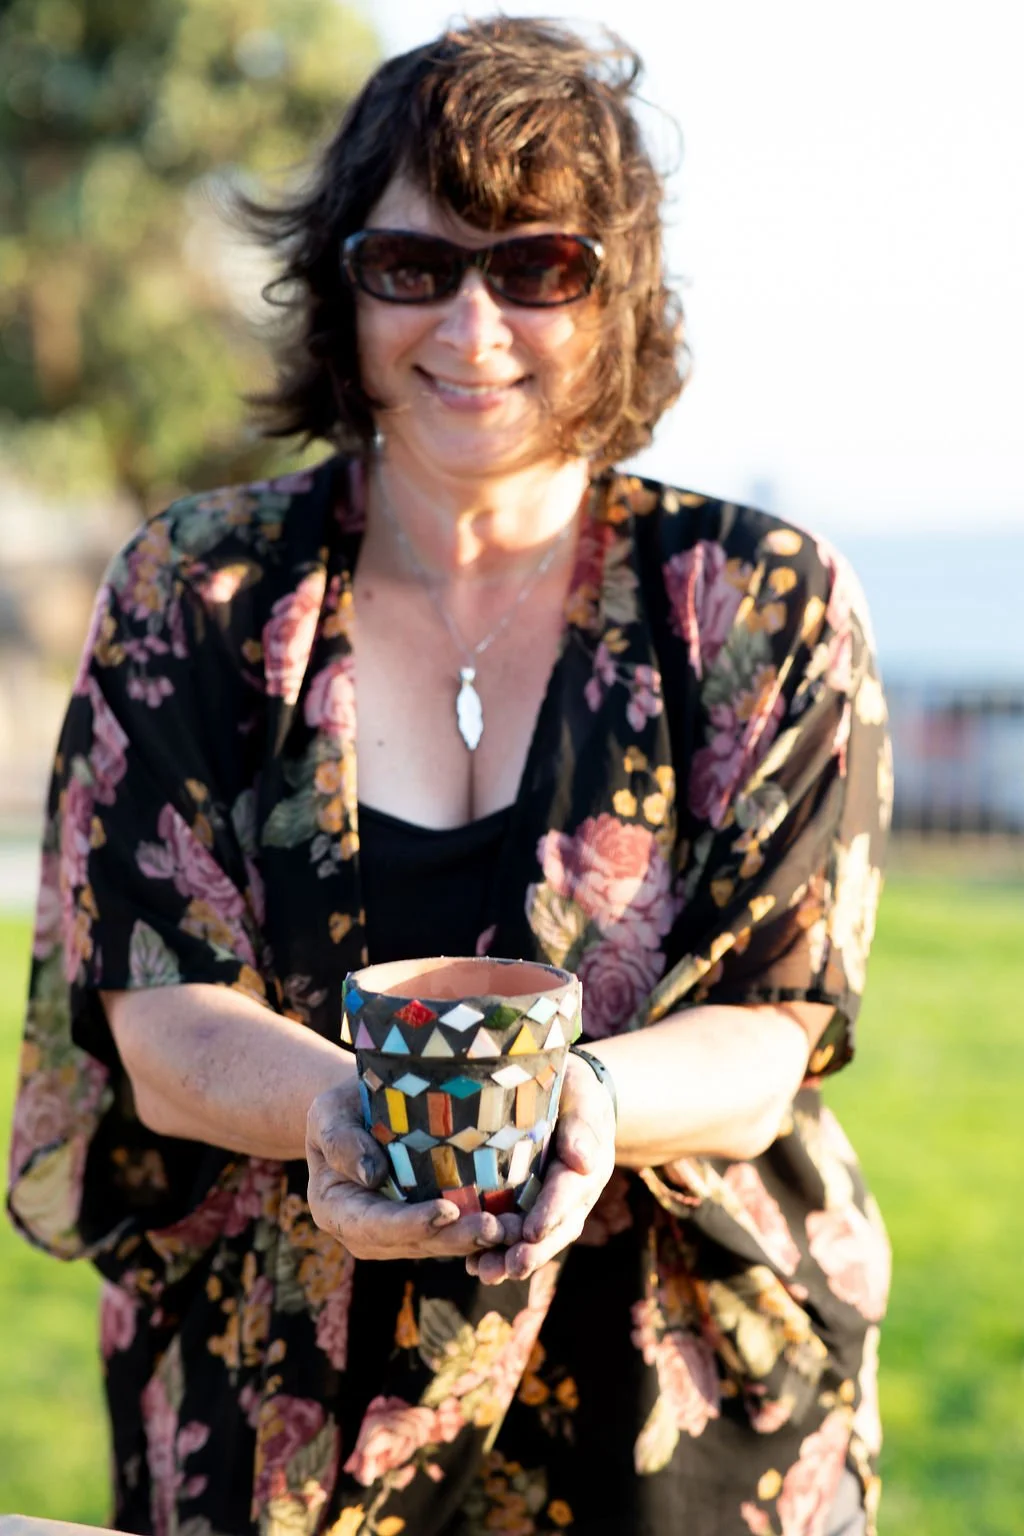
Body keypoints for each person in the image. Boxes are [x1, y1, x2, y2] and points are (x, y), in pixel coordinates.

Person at [7, 18, 893, 1536]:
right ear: (345, 287)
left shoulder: (761, 601)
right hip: (273, 1413)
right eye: (415, 266)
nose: (472, 327)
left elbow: (780, 1028)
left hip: (673, 1417)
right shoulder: (196, 594)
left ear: (615, 299)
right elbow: (156, 1018)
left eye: (537, 268)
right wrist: (347, 1118)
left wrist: (588, 1106)